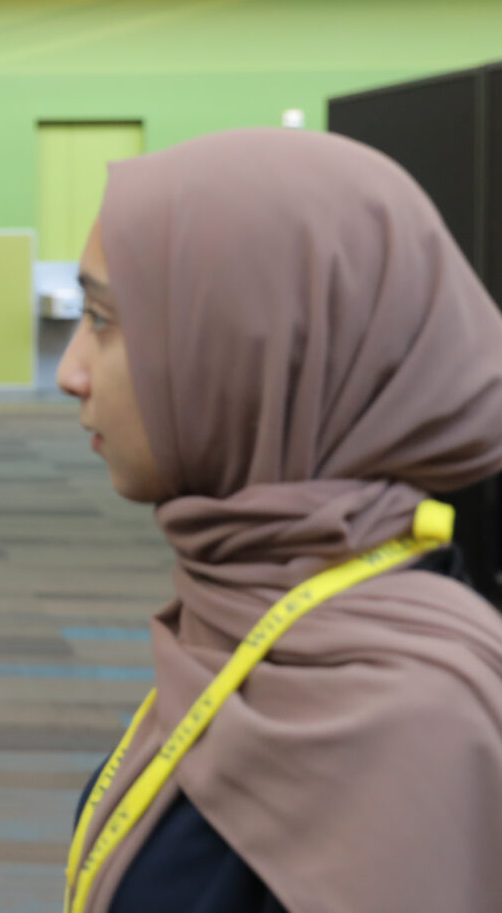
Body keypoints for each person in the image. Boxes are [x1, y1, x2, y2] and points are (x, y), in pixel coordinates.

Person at [55, 128, 502, 913]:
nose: (70, 373)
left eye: (104, 319)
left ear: (255, 346)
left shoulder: (419, 727)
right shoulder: (241, 604)